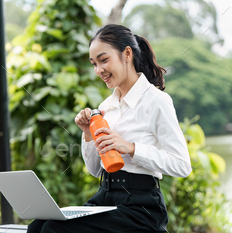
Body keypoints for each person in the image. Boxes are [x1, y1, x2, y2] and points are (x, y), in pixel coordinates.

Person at [27, 24, 192, 233]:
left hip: (140, 207)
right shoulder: (105, 107)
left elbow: (182, 165)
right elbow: (96, 170)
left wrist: (131, 148)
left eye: (104, 60)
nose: (98, 70)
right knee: (37, 227)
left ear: (127, 54)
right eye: (94, 63)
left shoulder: (156, 101)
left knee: (54, 229)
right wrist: (88, 134)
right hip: (105, 197)